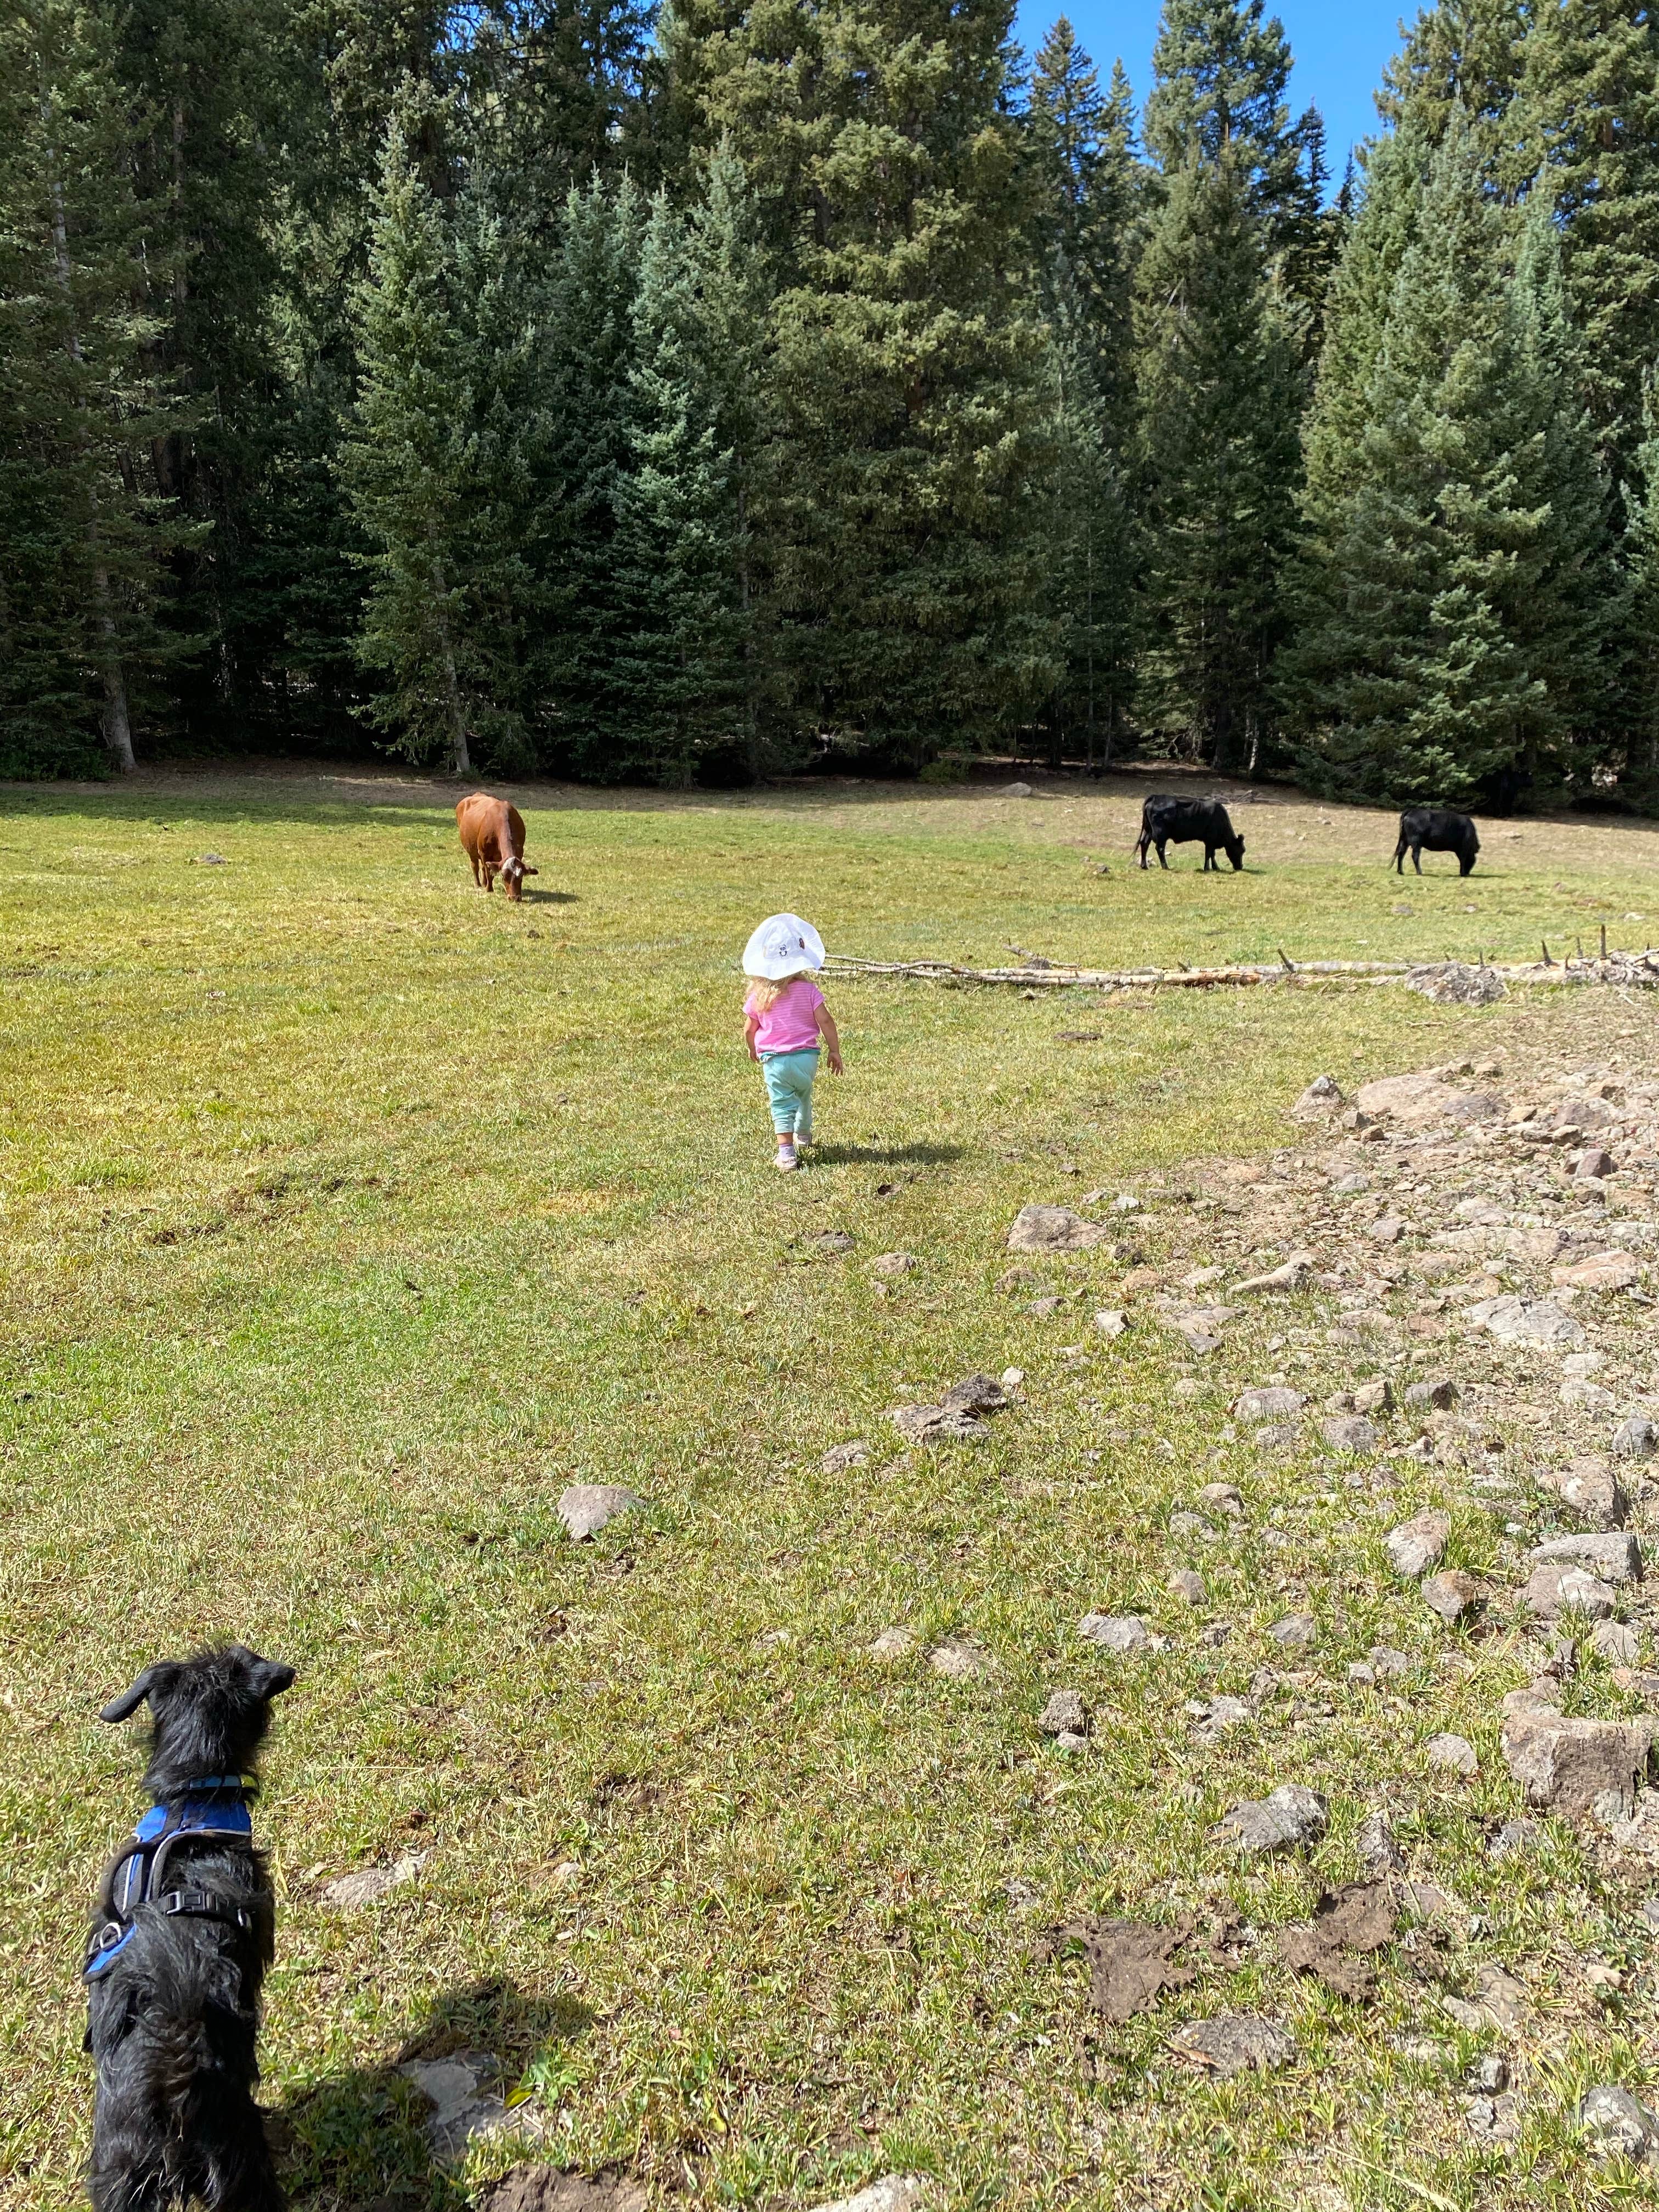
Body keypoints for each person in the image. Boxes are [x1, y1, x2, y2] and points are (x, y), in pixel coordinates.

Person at [741, 912, 843, 1172]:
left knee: (781, 1102)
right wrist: (834, 1050)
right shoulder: (809, 991)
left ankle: (786, 1154)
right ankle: (805, 1135)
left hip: (774, 1060)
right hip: (806, 1058)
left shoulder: (759, 996)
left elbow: (749, 1029)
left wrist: (753, 1049)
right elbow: (827, 1022)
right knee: (803, 1094)